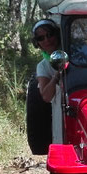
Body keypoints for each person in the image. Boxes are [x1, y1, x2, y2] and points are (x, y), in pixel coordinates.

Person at [27, 19, 61, 155]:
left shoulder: (77, 53)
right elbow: (46, 96)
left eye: (50, 34)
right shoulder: (43, 66)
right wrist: (56, 76)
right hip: (61, 110)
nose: (47, 40)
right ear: (38, 43)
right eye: (41, 38)